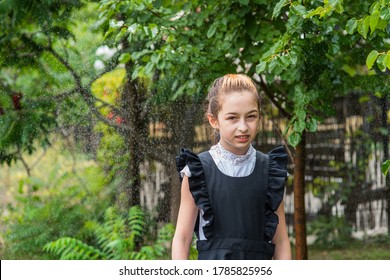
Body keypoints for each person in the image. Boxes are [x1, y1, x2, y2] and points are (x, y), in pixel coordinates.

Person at [171, 74, 291, 260]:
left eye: (251, 116)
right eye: (232, 118)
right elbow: (182, 238)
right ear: (214, 120)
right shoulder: (197, 172)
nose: (243, 127)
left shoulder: (270, 171)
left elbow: (281, 241)